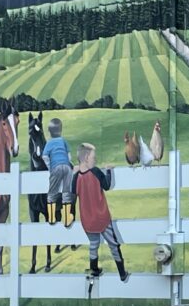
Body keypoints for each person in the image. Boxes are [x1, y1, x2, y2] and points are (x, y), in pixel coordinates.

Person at [70, 143, 130, 282]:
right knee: (113, 245)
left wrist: (75, 172)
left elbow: (72, 195)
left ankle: (94, 270)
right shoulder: (96, 172)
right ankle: (122, 273)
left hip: (88, 220)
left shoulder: (76, 178)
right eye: (93, 157)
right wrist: (109, 171)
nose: (95, 160)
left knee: (93, 245)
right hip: (102, 217)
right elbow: (107, 186)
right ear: (86, 159)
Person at [42, 117, 74, 227]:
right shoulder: (63, 141)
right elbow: (69, 156)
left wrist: (50, 167)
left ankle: (51, 217)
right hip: (67, 167)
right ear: (61, 130)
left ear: (49, 132)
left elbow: (45, 156)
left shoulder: (49, 143)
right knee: (66, 192)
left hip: (56, 167)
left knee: (52, 192)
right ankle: (66, 219)